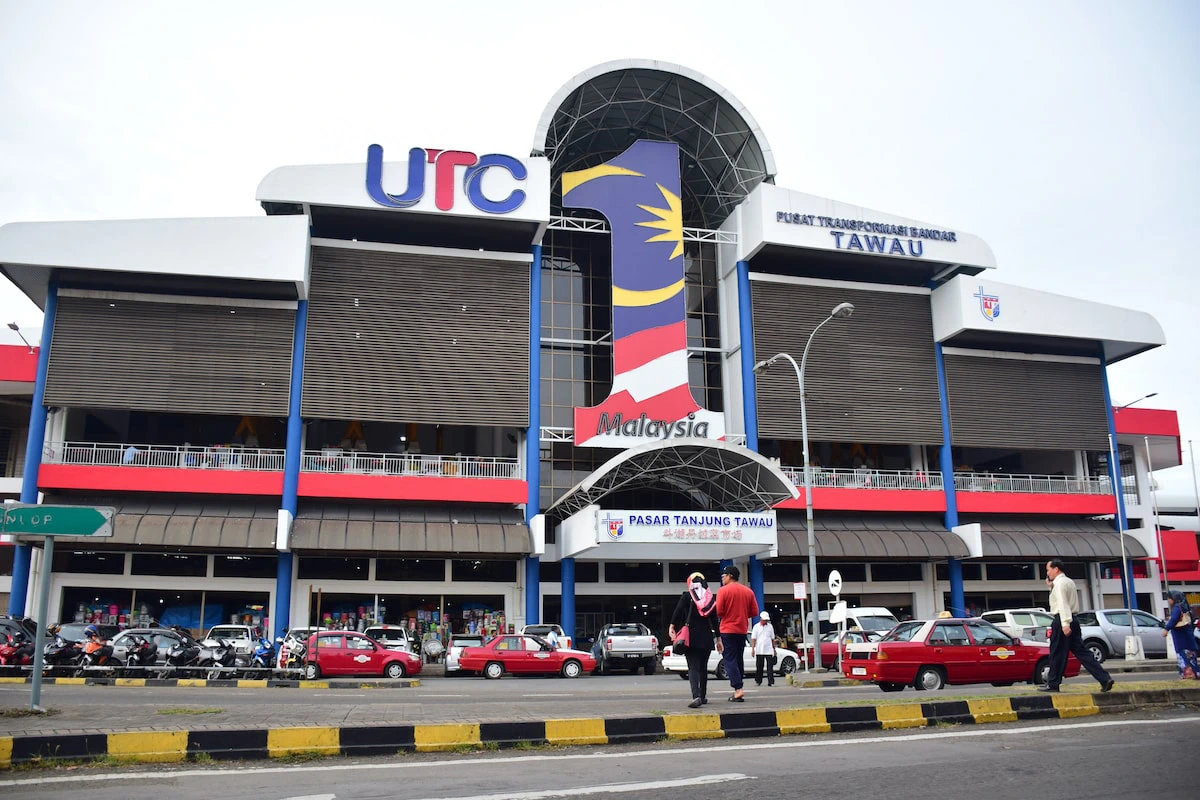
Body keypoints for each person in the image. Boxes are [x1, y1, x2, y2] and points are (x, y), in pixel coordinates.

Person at [1040, 559, 1114, 693]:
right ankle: (1104, 678)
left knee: (1057, 652)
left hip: (1063, 619)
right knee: (1082, 652)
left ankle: (1053, 683)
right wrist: (1051, 588)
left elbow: (1063, 604)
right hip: (1074, 619)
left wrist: (1064, 623)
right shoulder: (1068, 581)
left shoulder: (1060, 584)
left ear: (1056, 569)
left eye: (1048, 569)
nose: (1047, 572)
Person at [669, 572, 720, 708]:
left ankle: (696, 696)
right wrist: (719, 639)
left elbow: (678, 612)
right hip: (707, 638)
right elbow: (715, 620)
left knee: (693, 667)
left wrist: (672, 626)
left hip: (691, 638)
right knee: (703, 668)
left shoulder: (687, 596)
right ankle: (703, 696)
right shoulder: (710, 599)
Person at [714, 564, 758, 702]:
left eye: (724, 576)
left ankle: (738, 689)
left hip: (727, 629)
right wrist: (742, 613)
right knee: (739, 659)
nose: (722, 578)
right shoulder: (748, 591)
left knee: (729, 659)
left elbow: (719, 611)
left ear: (730, 576)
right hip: (742, 629)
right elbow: (754, 611)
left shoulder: (723, 591)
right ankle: (739, 688)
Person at [1161, 591, 1200, 680]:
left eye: (1169, 598)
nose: (1168, 600)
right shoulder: (1186, 607)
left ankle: (1187, 675)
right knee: (1191, 657)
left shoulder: (1177, 608)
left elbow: (1174, 619)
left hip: (1181, 638)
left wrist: (1166, 629)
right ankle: (1195, 673)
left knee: (1183, 657)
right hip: (1188, 637)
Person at [751, 611, 776, 687]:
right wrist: (753, 649)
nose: (765, 621)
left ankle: (771, 682)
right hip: (759, 649)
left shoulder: (770, 627)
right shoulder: (756, 627)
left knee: (770, 666)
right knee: (759, 666)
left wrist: (774, 649)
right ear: (761, 619)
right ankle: (758, 681)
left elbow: (772, 638)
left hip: (768, 649)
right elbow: (753, 638)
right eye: (764, 620)